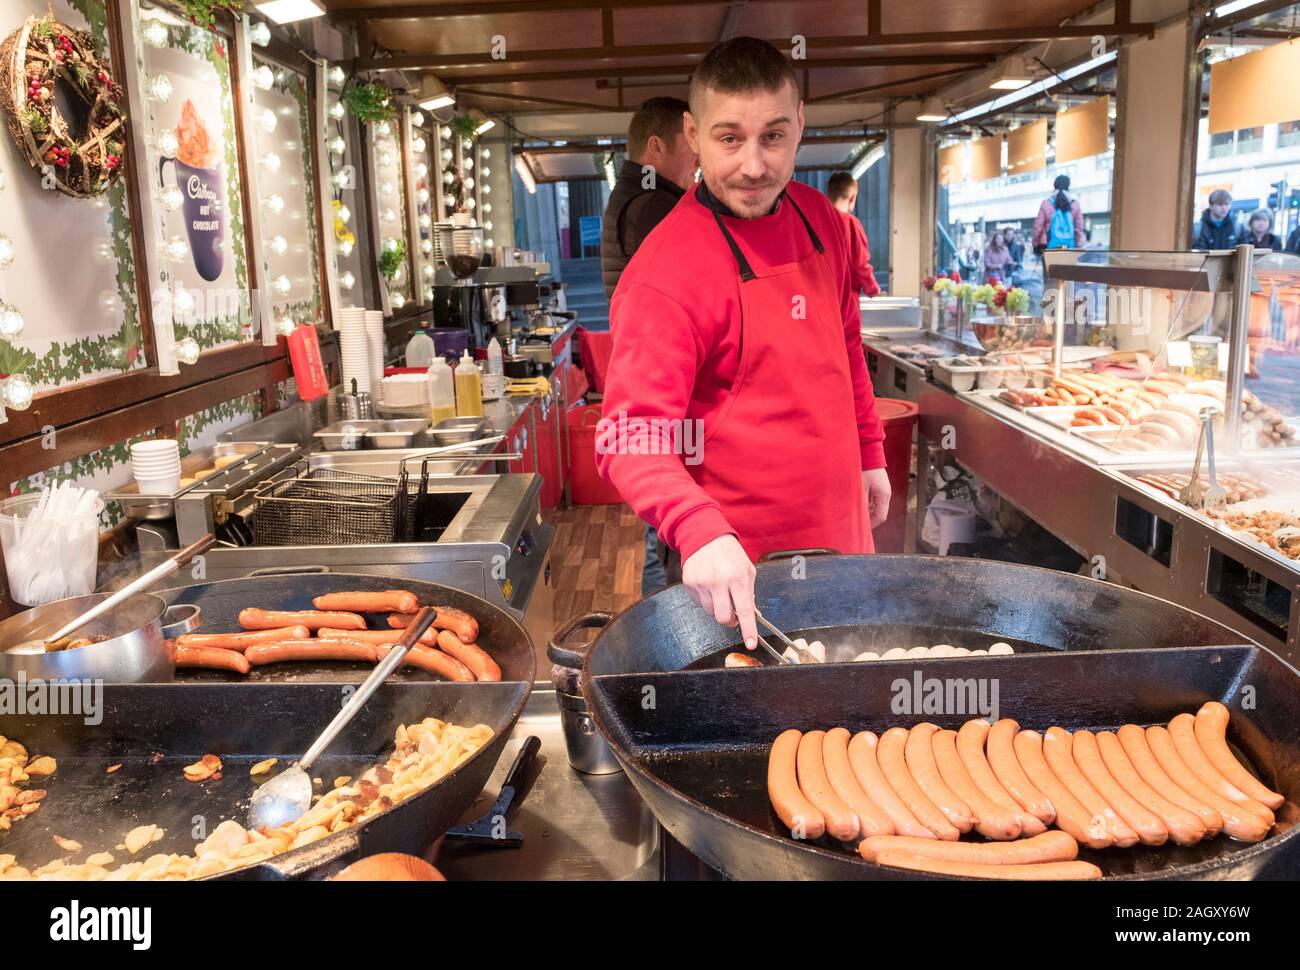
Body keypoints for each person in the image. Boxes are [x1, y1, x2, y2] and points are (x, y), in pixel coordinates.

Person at [597, 37, 890, 650]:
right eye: (729, 138)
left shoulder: (824, 222)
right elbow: (630, 436)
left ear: (800, 124)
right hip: (740, 574)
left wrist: (870, 450)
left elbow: (847, 347)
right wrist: (696, 529)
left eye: (773, 137)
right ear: (692, 133)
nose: (754, 165)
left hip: (847, 538)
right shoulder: (663, 274)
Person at [599, 96, 698, 596]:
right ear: (656, 147)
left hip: (652, 375)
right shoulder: (653, 205)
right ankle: (661, 629)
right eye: (691, 147)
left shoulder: (636, 198)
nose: (698, 162)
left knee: (659, 525)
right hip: (662, 381)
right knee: (666, 528)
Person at [601, 96, 698, 300]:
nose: (699, 158)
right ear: (656, 146)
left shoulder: (638, 191)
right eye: (691, 141)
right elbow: (691, 286)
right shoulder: (652, 204)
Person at [825, 170, 881, 297]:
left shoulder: (814, 221)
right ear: (852, 197)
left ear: (828, 193)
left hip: (821, 300)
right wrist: (873, 290)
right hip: (846, 300)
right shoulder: (851, 224)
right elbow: (860, 265)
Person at [1032, 174, 1085, 255]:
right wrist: (1078, 244)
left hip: (1049, 246)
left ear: (1054, 185)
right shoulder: (1075, 204)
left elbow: (1038, 226)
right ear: (1068, 186)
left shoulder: (1046, 203)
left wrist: (1035, 244)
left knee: (1051, 267)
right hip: (1069, 247)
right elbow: (1079, 228)